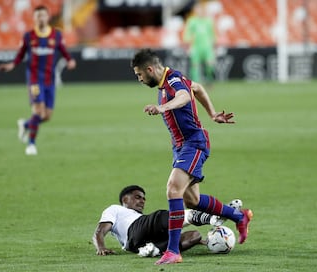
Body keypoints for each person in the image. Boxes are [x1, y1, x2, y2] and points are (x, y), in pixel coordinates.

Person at [130, 49, 253, 265]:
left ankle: (173, 251)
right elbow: (197, 88)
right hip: (180, 147)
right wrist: (212, 113)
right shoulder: (170, 81)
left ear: (150, 69)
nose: (139, 79)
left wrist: (162, 107)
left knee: (172, 189)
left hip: (193, 143)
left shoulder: (173, 80)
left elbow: (185, 96)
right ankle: (239, 216)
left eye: (139, 74)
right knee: (192, 200)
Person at [0, 5, 76, 155]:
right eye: (38, 16)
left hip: (49, 80)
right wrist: (11, 65)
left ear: (48, 17)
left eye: (43, 15)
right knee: (38, 111)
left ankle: (25, 124)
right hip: (34, 79)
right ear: (34, 18)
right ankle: (31, 144)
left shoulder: (56, 35)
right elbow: (20, 55)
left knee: (47, 116)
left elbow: (64, 51)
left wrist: (70, 60)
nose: (41, 18)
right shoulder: (29, 36)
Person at [92, 185, 231, 257]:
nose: (142, 201)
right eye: (137, 197)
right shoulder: (115, 209)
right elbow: (100, 230)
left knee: (194, 235)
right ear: (124, 199)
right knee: (160, 216)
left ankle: (155, 250)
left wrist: (202, 242)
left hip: (139, 245)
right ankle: (210, 217)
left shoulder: (142, 218)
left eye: (144, 198)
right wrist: (101, 247)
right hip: (134, 232)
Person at [183, 3, 216, 85]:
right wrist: (188, 46)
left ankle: (209, 80)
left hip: (207, 47)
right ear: (195, 11)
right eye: (198, 10)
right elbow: (187, 34)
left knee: (210, 65)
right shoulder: (192, 21)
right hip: (196, 47)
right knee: (195, 66)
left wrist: (213, 47)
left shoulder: (208, 21)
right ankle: (196, 84)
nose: (200, 11)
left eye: (201, 10)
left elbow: (212, 35)